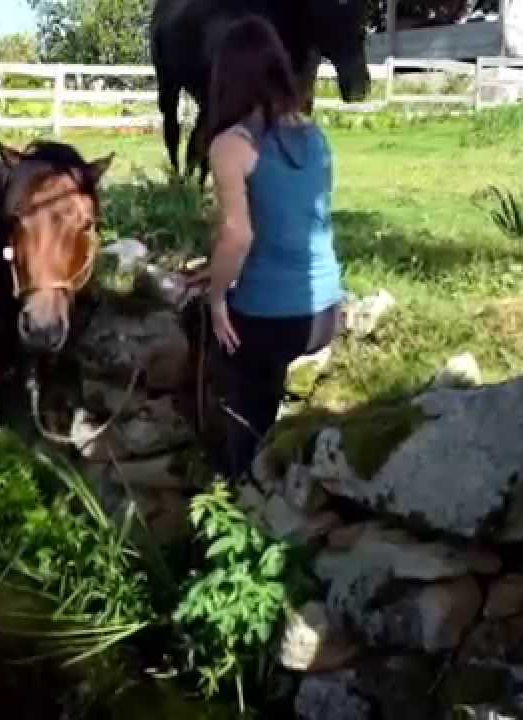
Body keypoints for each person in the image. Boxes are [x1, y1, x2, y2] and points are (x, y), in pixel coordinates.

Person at [193, 15, 345, 481]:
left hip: (273, 319)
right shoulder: (313, 134)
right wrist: (215, 270)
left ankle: (237, 484)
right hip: (326, 309)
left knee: (207, 339)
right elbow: (290, 224)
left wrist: (217, 297)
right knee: (261, 378)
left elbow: (238, 236)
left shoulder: (232, 145)